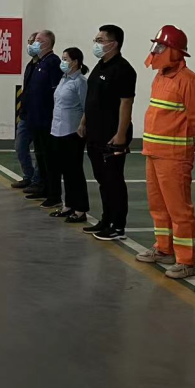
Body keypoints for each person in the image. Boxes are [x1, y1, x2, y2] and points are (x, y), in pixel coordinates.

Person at [137, 25, 195, 280]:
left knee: (179, 210)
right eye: (155, 45)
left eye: (160, 46)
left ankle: (186, 261)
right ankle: (164, 248)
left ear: (174, 51)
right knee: (158, 206)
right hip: (154, 152)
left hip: (174, 156)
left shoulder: (189, 81)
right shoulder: (161, 77)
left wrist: (184, 145)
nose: (155, 50)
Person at [80, 24, 136, 241]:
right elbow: (92, 97)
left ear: (114, 44)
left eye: (101, 40)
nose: (96, 44)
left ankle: (117, 225)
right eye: (96, 40)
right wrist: (84, 121)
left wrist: (121, 134)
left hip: (112, 135)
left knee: (114, 180)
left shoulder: (123, 69)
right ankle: (106, 219)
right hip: (95, 132)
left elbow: (126, 103)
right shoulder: (100, 66)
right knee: (102, 180)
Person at [44, 48, 90, 223]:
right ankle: (68, 205)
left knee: (74, 171)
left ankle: (80, 209)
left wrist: (83, 125)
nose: (62, 62)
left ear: (75, 62)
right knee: (64, 171)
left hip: (72, 131)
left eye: (66, 59)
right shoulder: (63, 79)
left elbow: (86, 107)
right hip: (58, 130)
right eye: (62, 58)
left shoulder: (80, 82)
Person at [21, 30, 62, 209]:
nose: (33, 43)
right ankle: (43, 187)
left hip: (46, 119)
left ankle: (53, 193)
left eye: (38, 40)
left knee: (49, 158)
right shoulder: (38, 63)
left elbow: (55, 92)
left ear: (47, 43)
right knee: (40, 155)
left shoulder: (52, 62)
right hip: (35, 118)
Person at [12, 32, 43, 193]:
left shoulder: (47, 64)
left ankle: (37, 180)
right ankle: (28, 176)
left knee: (39, 150)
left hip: (40, 116)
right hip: (26, 114)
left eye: (34, 42)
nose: (30, 45)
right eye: (29, 42)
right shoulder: (30, 65)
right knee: (20, 146)